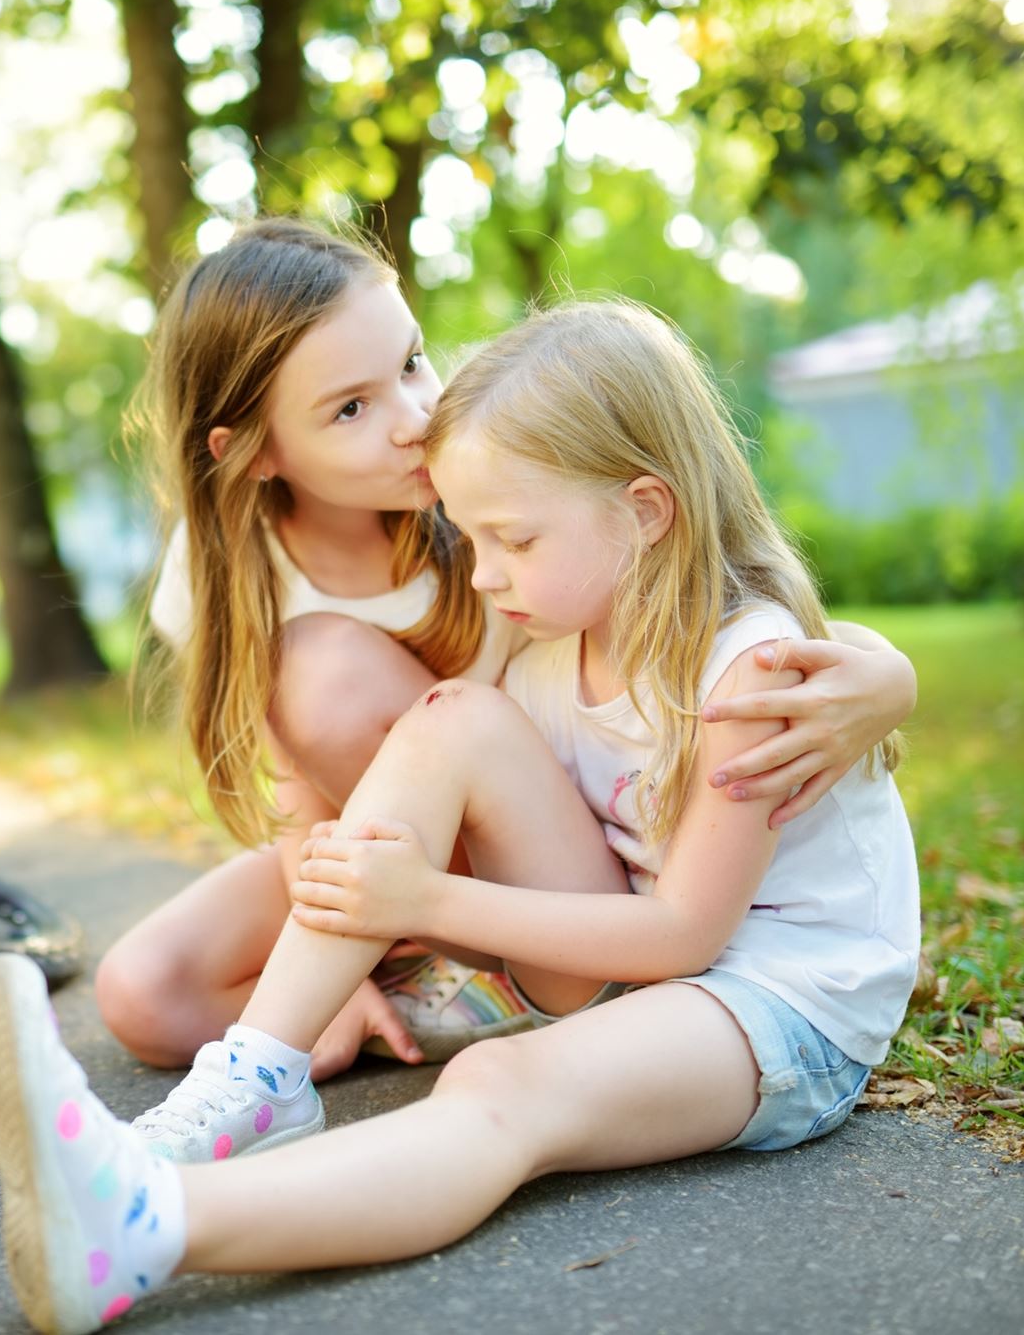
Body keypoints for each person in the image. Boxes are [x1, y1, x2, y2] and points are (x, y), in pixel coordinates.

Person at [0, 297, 922, 1334]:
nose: (483, 571)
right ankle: (250, 1078)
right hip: (638, 970)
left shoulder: (748, 679)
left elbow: (684, 933)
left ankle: (144, 1226)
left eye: (511, 538)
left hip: (779, 1006)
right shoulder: (550, 644)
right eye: (470, 538)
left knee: (501, 1089)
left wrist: (426, 898)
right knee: (451, 716)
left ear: (645, 511)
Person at [100, 218, 918, 1089]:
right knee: (143, 993)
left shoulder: (502, 515)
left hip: (541, 872)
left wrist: (888, 675)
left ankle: (479, 977)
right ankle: (391, 982)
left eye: (412, 363)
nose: (415, 420)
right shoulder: (220, 565)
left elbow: (713, 599)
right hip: (379, 848)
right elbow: (300, 784)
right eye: (351, 408)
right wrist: (320, 974)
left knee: (338, 675)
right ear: (257, 453)